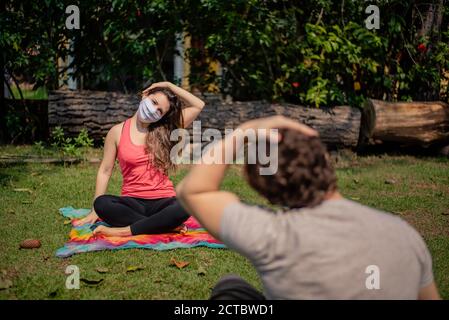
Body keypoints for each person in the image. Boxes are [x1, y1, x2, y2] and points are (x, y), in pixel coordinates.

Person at [176, 115, 441, 300]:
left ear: (265, 192)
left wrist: (246, 130)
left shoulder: (273, 235)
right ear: (326, 161)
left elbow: (193, 190)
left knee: (230, 290)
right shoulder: (404, 234)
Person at [75, 81, 205, 237]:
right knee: (102, 203)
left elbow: (198, 105)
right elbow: (105, 170)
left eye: (160, 110)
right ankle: (163, 225)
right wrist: (94, 211)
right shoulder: (116, 132)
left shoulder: (166, 129)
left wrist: (168, 85)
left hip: (163, 201)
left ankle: (124, 231)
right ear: (145, 95)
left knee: (186, 204)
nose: (154, 110)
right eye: (154, 102)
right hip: (132, 202)